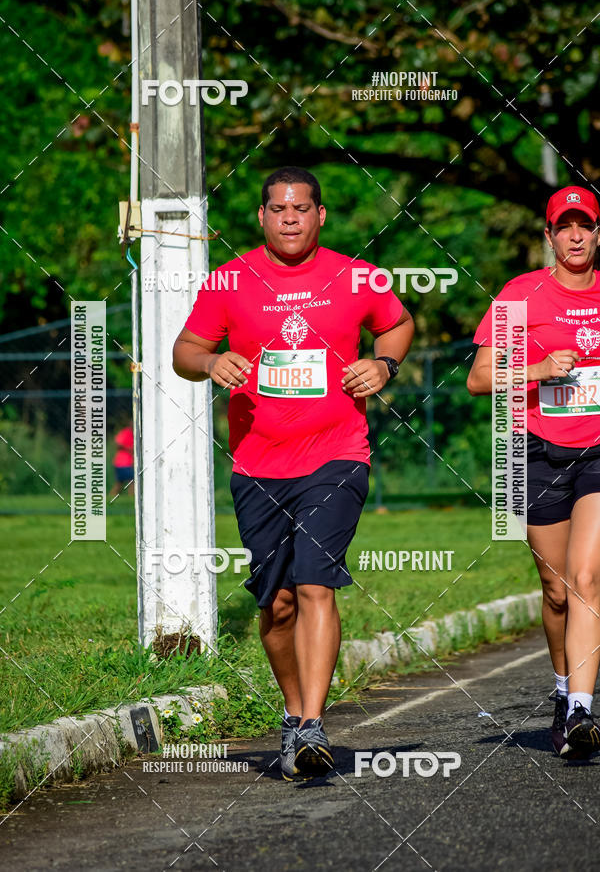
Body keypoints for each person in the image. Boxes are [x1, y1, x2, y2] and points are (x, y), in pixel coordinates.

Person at [173, 166, 414, 779]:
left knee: (314, 582)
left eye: (301, 208)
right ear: (261, 216)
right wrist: (211, 362)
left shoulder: (356, 276)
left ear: (320, 215)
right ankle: (293, 712)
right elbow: (184, 351)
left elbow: (398, 323)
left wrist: (384, 364)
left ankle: (312, 724)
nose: (289, 218)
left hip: (337, 454)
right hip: (258, 465)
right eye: (278, 209)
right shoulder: (229, 280)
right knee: (278, 606)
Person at [468, 185, 600, 758]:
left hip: (597, 452)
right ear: (549, 237)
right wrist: (538, 368)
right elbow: (478, 379)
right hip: (537, 451)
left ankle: (582, 710)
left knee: (586, 579)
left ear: (597, 234)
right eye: (564, 227)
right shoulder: (520, 296)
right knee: (556, 592)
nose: (575, 236)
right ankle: (563, 690)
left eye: (584, 225)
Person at [110, 421, 134, 497]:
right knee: (131, 481)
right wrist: (129, 449)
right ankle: (132, 497)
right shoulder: (126, 433)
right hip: (123, 463)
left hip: (126, 462)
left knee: (120, 483)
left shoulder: (133, 433)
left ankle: (111, 497)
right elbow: (118, 444)